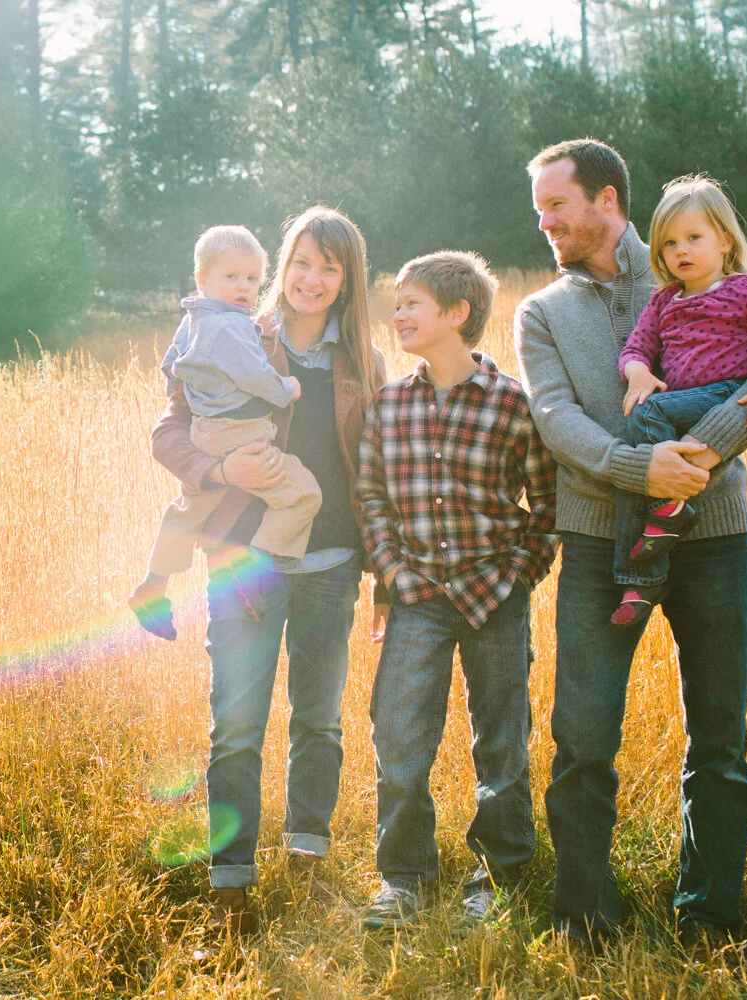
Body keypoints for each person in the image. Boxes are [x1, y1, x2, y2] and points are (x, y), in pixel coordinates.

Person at [513, 138, 747, 948]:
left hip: (715, 536)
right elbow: (554, 419)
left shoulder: (689, 261)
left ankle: (710, 918)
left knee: (719, 736)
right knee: (583, 739)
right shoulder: (542, 312)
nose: (543, 219)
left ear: (606, 198)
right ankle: (585, 917)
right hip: (595, 545)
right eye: (540, 206)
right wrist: (638, 466)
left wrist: (710, 448)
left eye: (556, 204)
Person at [149, 207, 386, 934]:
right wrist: (217, 469)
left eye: (331, 267)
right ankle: (230, 887)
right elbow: (169, 430)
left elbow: (375, 471)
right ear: (282, 265)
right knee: (238, 728)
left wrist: (380, 572)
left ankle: (309, 867)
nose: (313, 279)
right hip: (244, 563)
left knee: (319, 722)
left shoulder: (362, 362)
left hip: (332, 566)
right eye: (303, 262)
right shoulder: (231, 331)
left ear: (349, 281)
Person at [355, 251, 558, 931]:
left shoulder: (512, 404)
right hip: (418, 598)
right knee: (400, 734)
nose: (399, 313)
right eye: (398, 303)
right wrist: (396, 573)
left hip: (495, 595)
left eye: (412, 302)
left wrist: (518, 576)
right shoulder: (390, 407)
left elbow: (548, 505)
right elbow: (372, 498)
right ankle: (405, 877)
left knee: (502, 739)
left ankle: (497, 878)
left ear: (457, 313)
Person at [609, 176, 747, 628]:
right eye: (668, 244)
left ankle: (666, 519)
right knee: (636, 472)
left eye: (693, 238)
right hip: (680, 400)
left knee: (649, 413)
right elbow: (636, 349)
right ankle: (640, 580)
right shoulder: (664, 300)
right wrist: (639, 372)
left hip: (724, 393)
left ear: (724, 240)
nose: (680, 250)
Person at [130, 225, 320, 641]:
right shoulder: (233, 327)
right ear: (202, 279)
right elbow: (258, 378)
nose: (243, 288)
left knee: (190, 508)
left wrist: (191, 396)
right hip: (243, 434)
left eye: (252, 279)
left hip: (206, 432)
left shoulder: (193, 319)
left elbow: (171, 366)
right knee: (303, 493)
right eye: (231, 277)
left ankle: (154, 584)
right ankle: (251, 566)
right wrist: (289, 390)